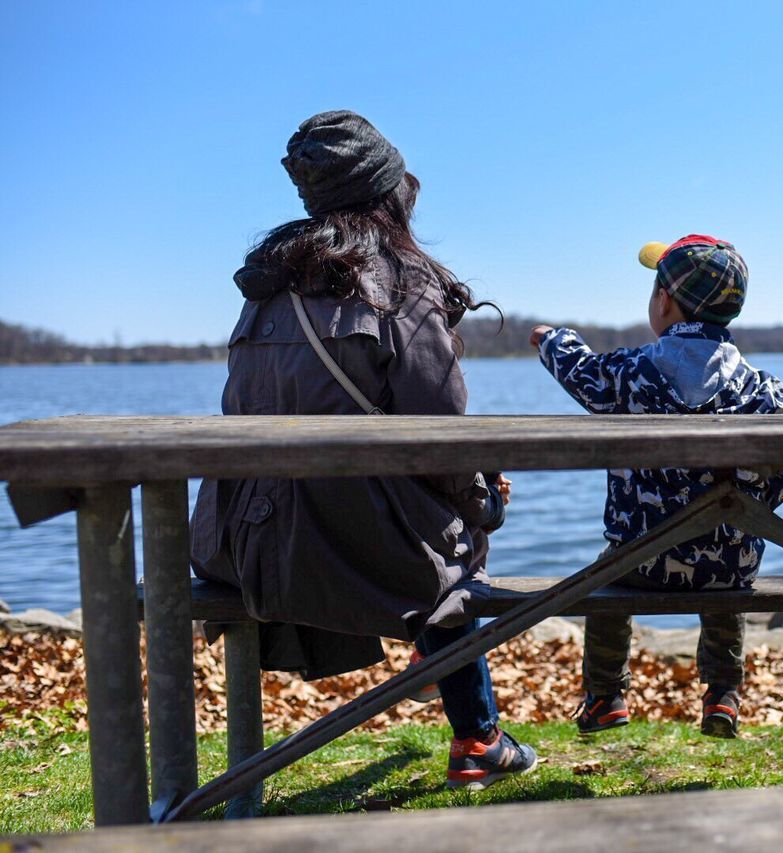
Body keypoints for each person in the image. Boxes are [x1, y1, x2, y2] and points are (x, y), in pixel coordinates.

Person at [191, 110, 536, 790]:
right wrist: (484, 501)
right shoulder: (402, 278)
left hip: (245, 543)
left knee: (439, 519)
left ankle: (242, 780)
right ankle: (478, 735)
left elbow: (241, 405)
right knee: (460, 546)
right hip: (349, 547)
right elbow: (440, 430)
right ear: (387, 193)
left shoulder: (265, 283)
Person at [529, 235, 783, 738]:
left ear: (663, 302)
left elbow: (579, 371)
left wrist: (551, 338)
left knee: (604, 578)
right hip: (727, 566)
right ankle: (724, 694)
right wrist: (750, 511)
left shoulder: (628, 375)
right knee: (732, 568)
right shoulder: (765, 392)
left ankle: (605, 696)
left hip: (641, 563)